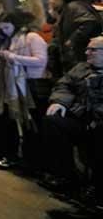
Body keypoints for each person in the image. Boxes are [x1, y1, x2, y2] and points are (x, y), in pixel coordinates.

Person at [41, 35, 103, 211]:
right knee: (52, 122)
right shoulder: (81, 68)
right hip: (83, 118)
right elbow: (64, 85)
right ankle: (65, 176)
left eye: (93, 50)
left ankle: (96, 189)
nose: (87, 52)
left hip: (99, 122)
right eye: (87, 48)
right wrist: (60, 102)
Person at [0, 10, 48, 170]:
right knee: (22, 124)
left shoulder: (32, 37)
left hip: (33, 85)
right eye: (1, 28)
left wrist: (12, 57)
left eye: (7, 27)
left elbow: (41, 61)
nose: (4, 31)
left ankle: (38, 162)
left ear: (15, 24)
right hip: (17, 86)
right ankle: (29, 160)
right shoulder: (10, 40)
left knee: (33, 124)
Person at [48, 0, 102, 77]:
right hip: (78, 59)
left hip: (81, 58)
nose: (50, 1)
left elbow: (88, 22)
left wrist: (72, 40)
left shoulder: (74, 6)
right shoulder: (69, 8)